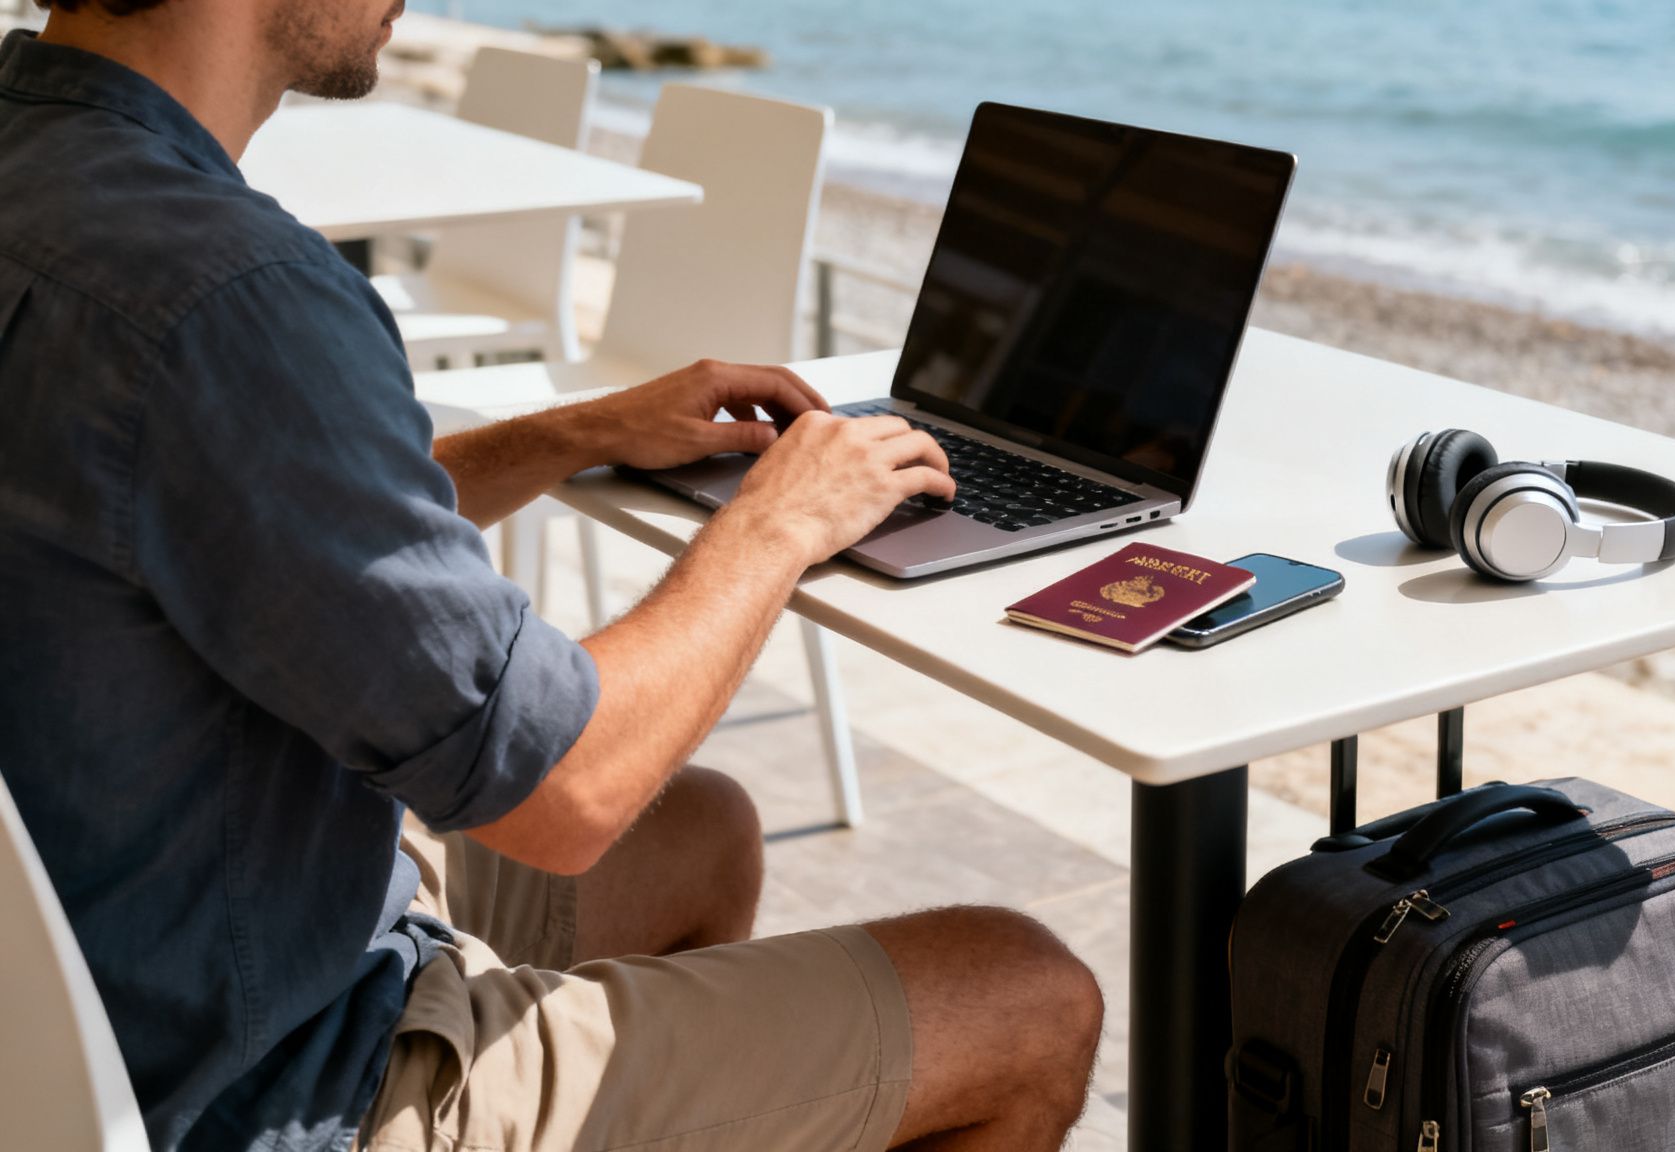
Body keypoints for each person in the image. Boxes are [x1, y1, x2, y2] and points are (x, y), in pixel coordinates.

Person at [0, 0, 1104, 1149]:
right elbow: (566, 795)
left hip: (125, 969)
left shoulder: (42, 176)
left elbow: (243, 509)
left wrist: (567, 434)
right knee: (1025, 998)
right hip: (268, 1076)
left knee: (702, 830)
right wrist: (778, 523)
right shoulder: (229, 294)